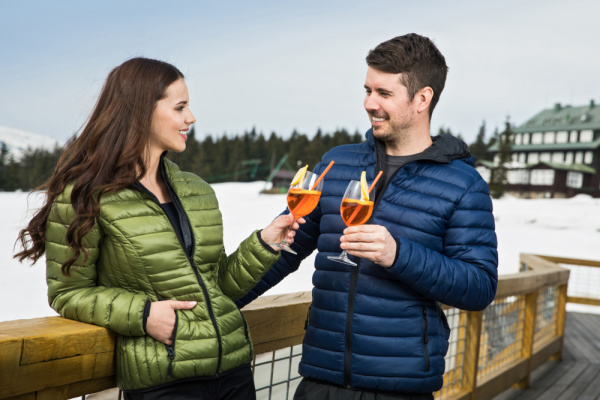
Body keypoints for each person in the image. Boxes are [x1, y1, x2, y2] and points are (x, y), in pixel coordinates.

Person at [14, 57, 303, 400]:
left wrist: (264, 244)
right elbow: (68, 293)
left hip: (234, 373)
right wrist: (143, 314)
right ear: (140, 112)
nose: (191, 118)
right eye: (180, 107)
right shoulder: (85, 196)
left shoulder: (197, 190)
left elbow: (217, 286)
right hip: (164, 382)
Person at [237, 33, 499, 399]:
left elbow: (479, 286)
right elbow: (287, 249)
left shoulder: (463, 184)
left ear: (422, 99)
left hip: (399, 387)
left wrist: (398, 255)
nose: (368, 103)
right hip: (320, 380)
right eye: (367, 90)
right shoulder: (336, 162)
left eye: (384, 93)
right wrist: (215, 306)